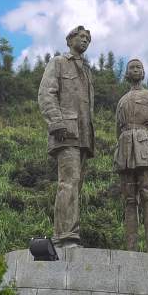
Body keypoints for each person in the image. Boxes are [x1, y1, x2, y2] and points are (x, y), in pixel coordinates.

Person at [38, 25, 94, 248]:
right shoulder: (59, 62)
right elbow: (45, 94)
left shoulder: (87, 71)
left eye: (88, 39)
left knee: (75, 185)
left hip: (83, 136)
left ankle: (65, 234)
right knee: (68, 183)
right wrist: (56, 122)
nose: (85, 41)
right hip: (66, 132)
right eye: (81, 37)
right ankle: (65, 237)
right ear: (70, 39)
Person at [113, 59, 148, 253]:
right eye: (131, 68)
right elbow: (117, 129)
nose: (135, 70)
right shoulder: (122, 100)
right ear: (127, 73)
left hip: (146, 147)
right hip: (125, 150)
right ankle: (131, 249)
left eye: (139, 67)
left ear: (143, 72)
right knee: (129, 200)